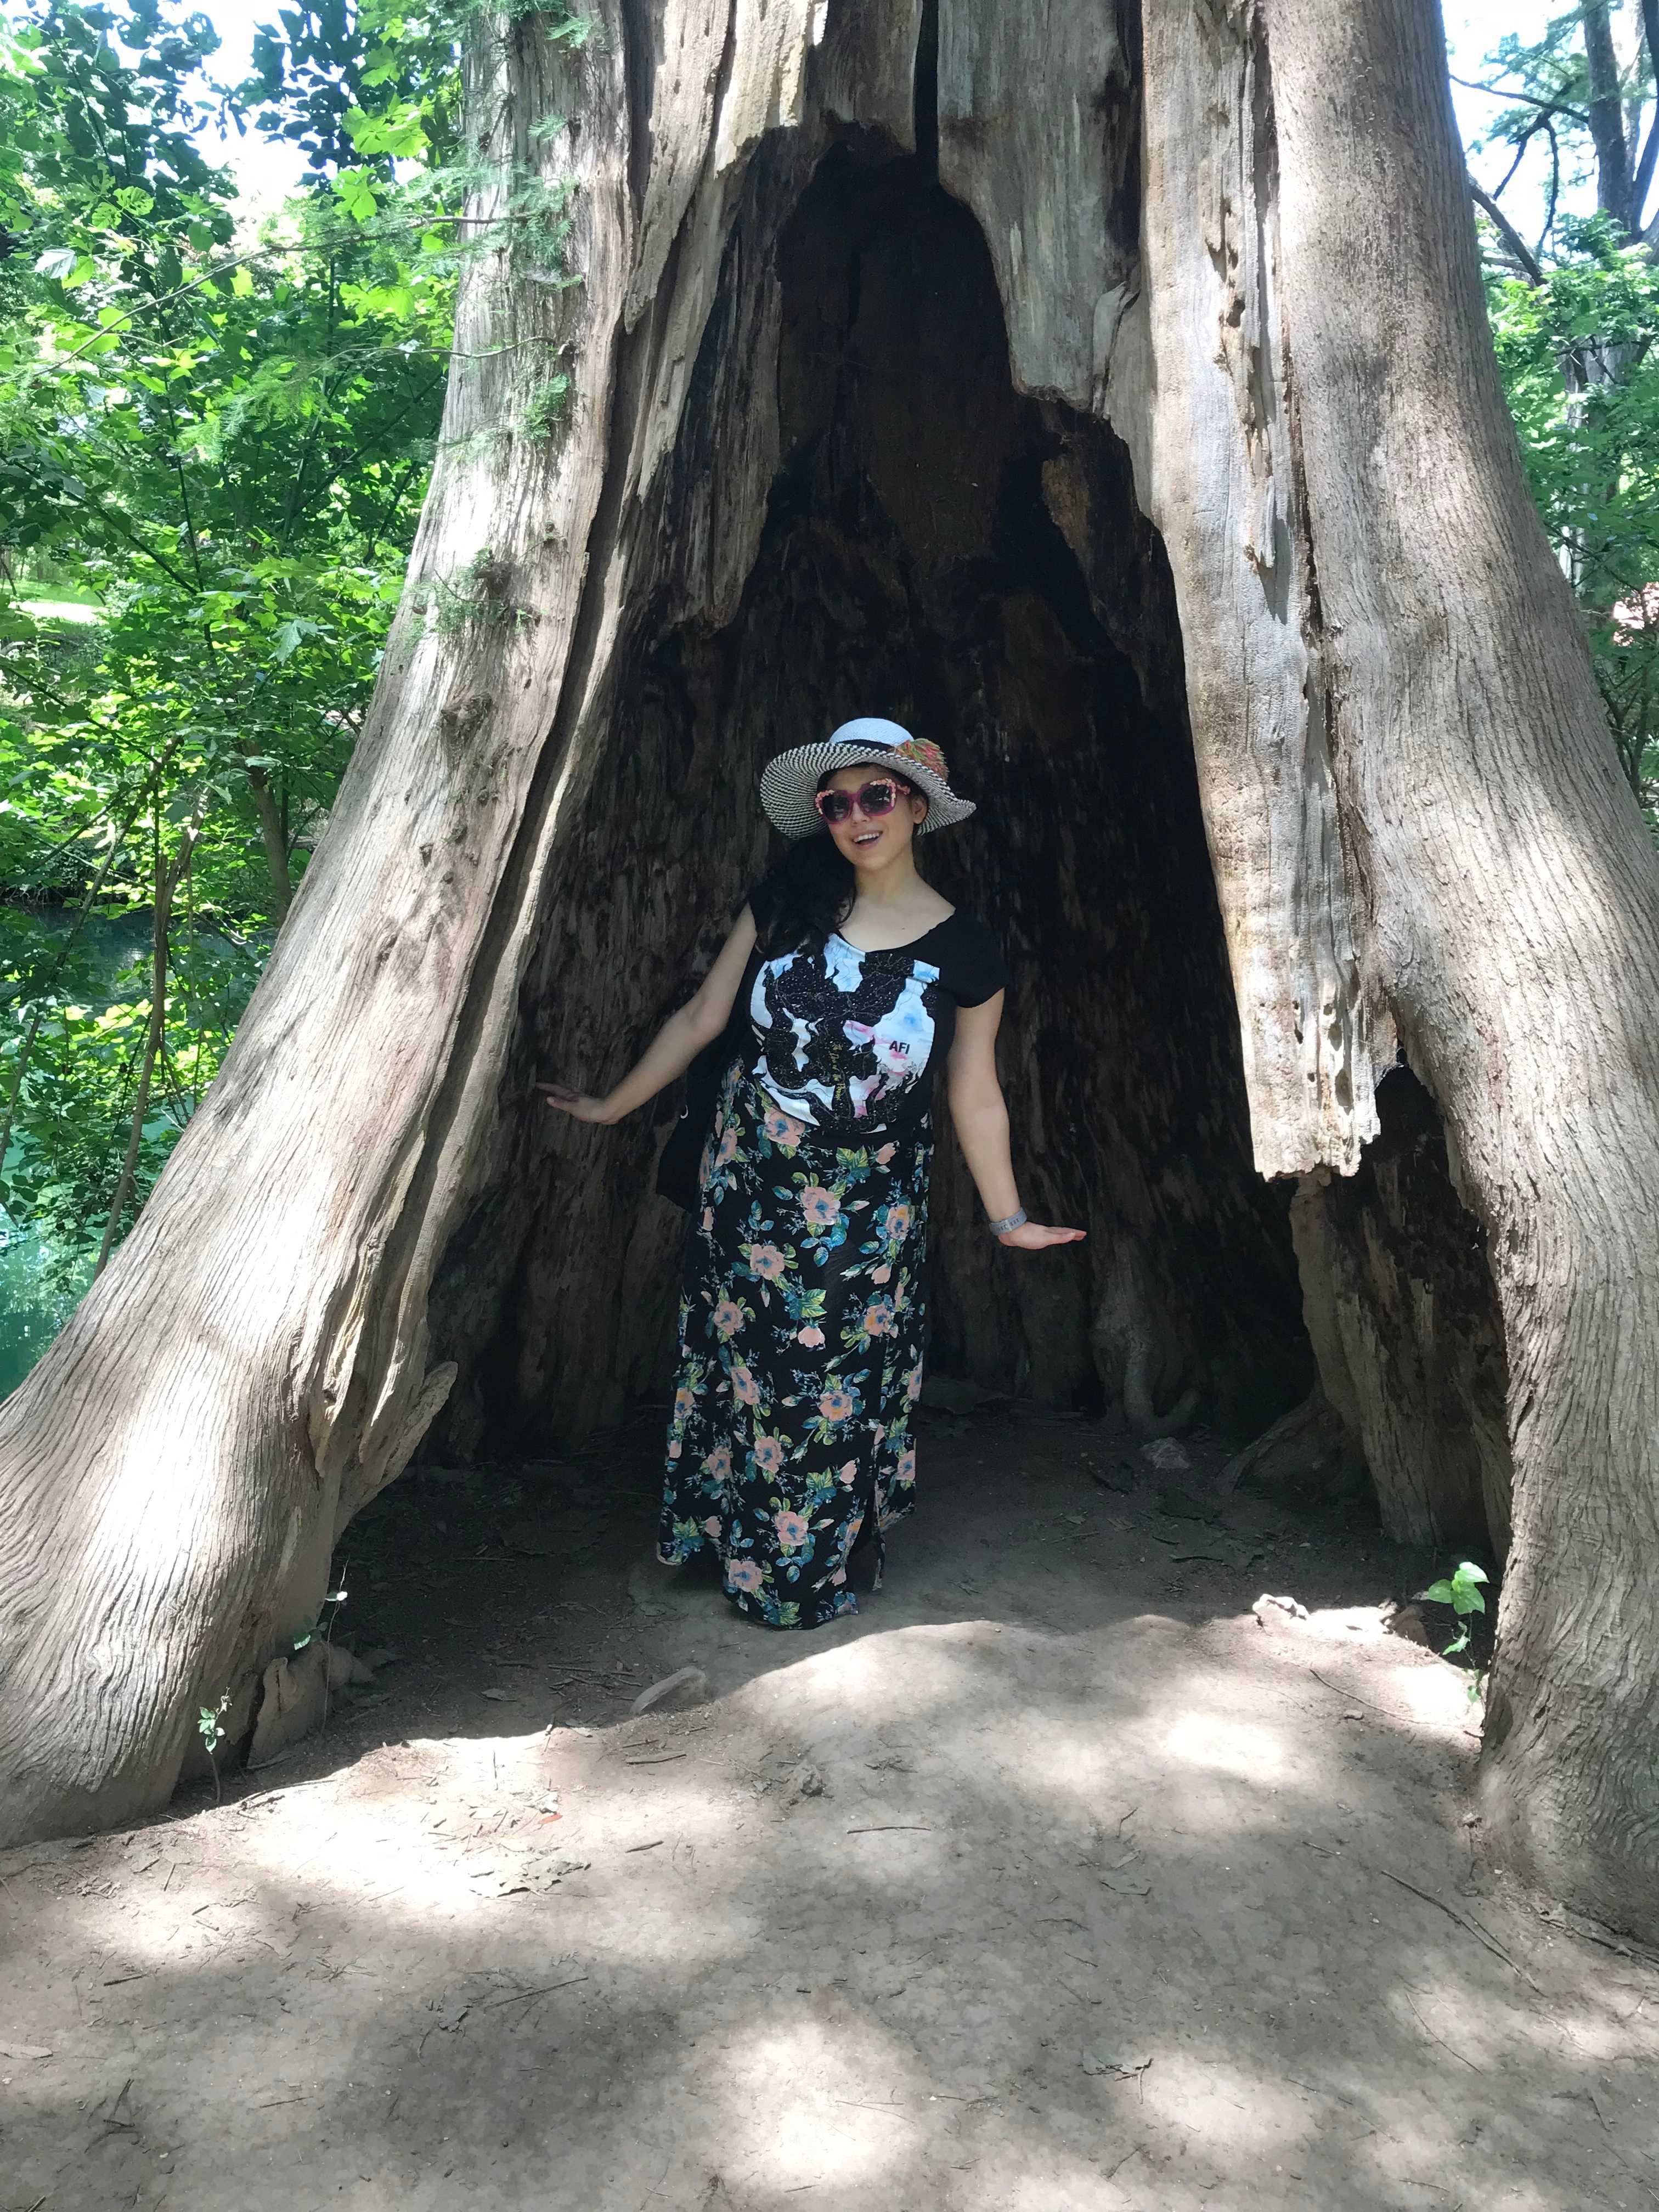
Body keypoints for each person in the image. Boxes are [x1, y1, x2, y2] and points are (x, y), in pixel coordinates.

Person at [540, 717, 1084, 1628]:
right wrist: (611, 1105)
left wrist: (1007, 1218)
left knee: (826, 1386)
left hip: (870, 1210)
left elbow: (975, 1093)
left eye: (876, 796)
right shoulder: (787, 902)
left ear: (915, 804)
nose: (856, 818)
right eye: (837, 804)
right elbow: (703, 1019)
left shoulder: (966, 952)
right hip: (749, 1185)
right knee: (739, 1372)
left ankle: (798, 1575)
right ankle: (721, 1540)